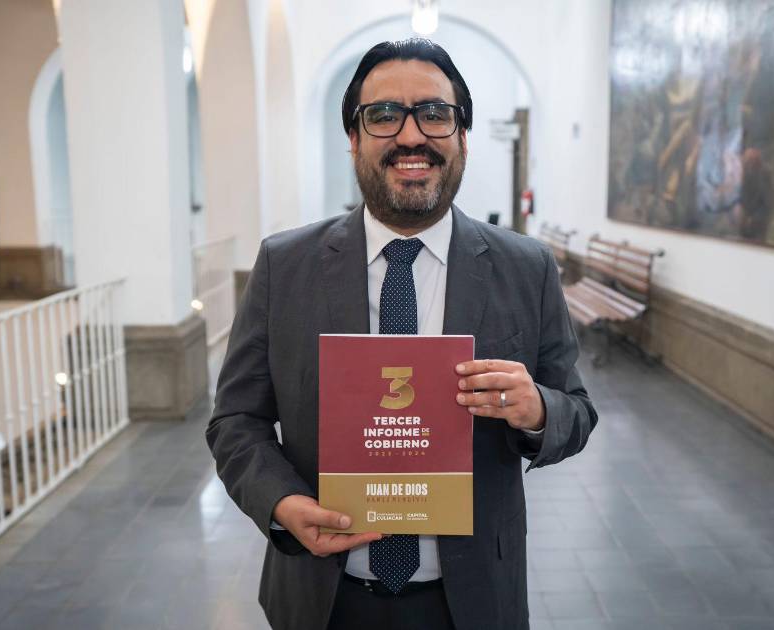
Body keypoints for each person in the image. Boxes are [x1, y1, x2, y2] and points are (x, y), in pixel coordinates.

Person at [207, 38, 598, 630]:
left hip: (472, 602)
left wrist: (538, 409)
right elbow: (235, 420)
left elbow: (578, 412)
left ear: (463, 137)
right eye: (384, 114)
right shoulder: (285, 267)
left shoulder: (527, 268)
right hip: (322, 597)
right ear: (353, 138)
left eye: (435, 114)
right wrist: (281, 502)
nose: (411, 136)